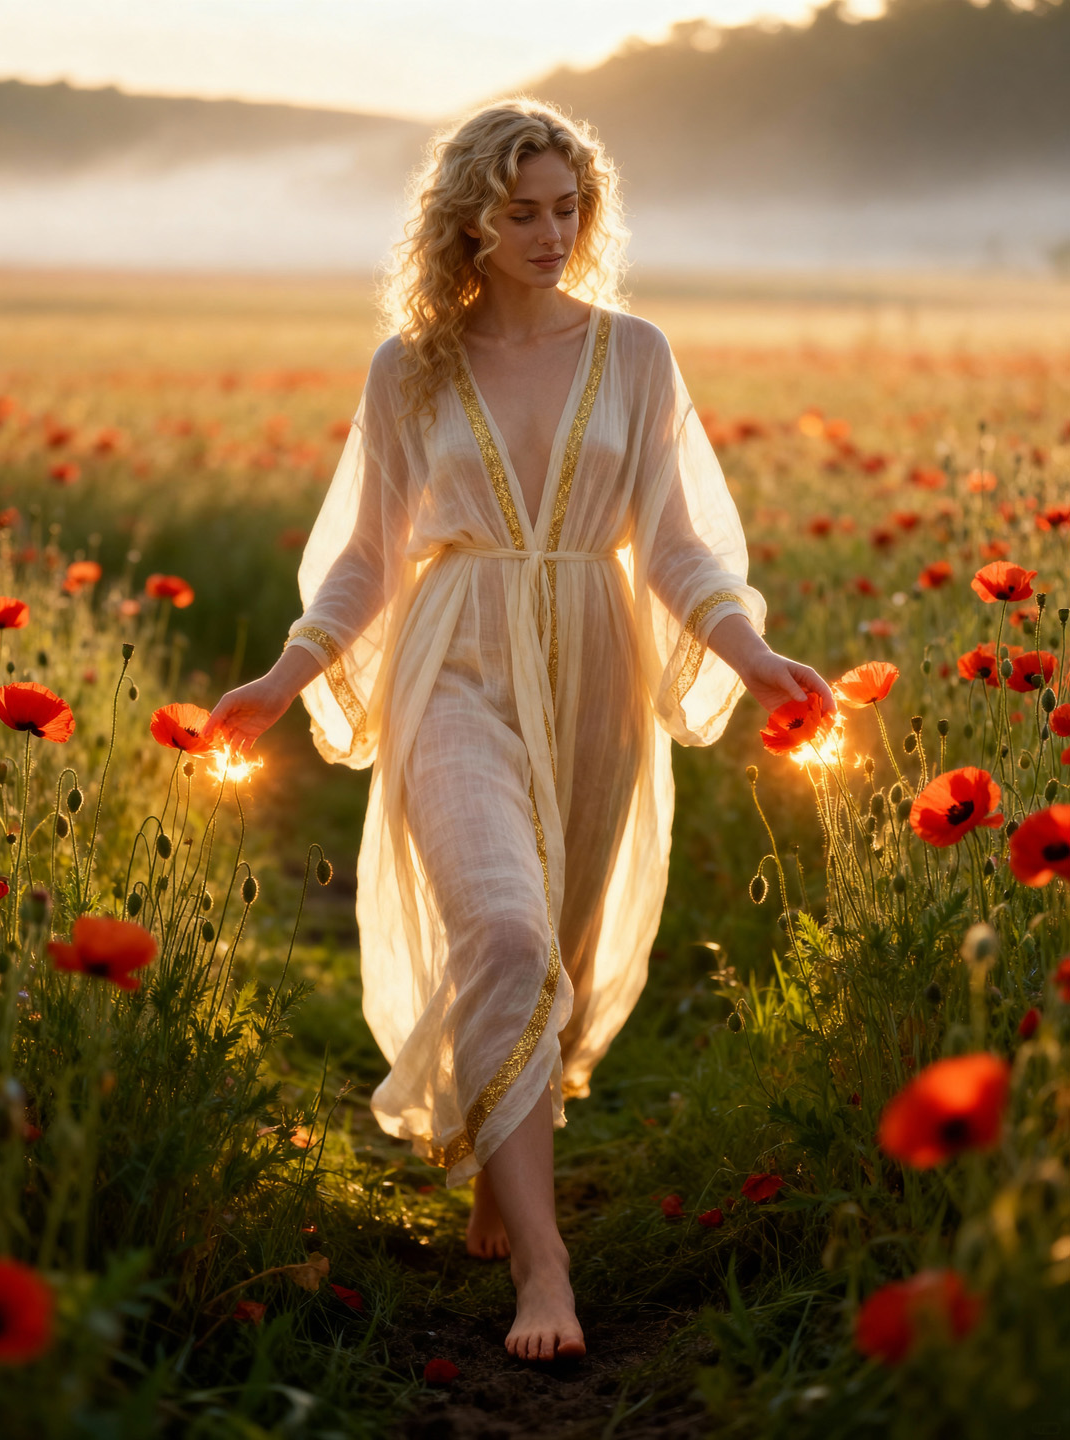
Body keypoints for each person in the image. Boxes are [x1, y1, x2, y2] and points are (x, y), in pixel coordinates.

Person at [200, 98, 835, 1364]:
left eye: (567, 210)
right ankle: (544, 1270)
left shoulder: (636, 353)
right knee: (499, 923)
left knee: (562, 947)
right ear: (466, 222)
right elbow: (366, 566)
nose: (551, 235)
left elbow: (671, 545)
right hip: (454, 665)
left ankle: (508, 1155)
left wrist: (755, 658)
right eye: (521, 212)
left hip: (594, 670)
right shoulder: (411, 366)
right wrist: (281, 679)